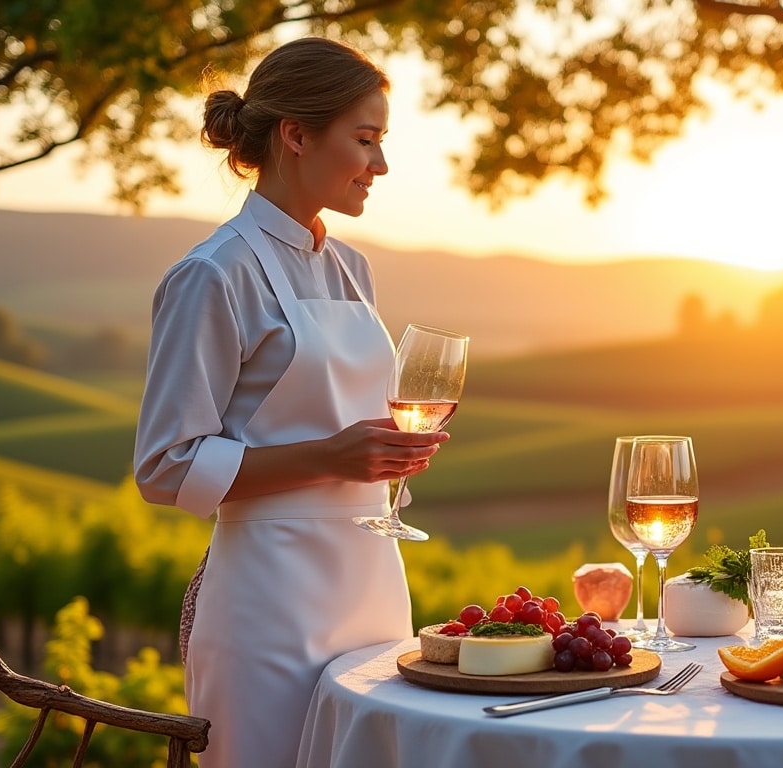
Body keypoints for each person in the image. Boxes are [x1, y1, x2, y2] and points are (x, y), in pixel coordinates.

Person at [133, 37, 447, 768]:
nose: (381, 165)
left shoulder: (351, 268)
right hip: (266, 604)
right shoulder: (214, 275)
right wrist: (335, 457)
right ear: (296, 135)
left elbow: (349, 420)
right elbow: (166, 468)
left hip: (370, 588)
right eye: (365, 140)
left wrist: (386, 455)